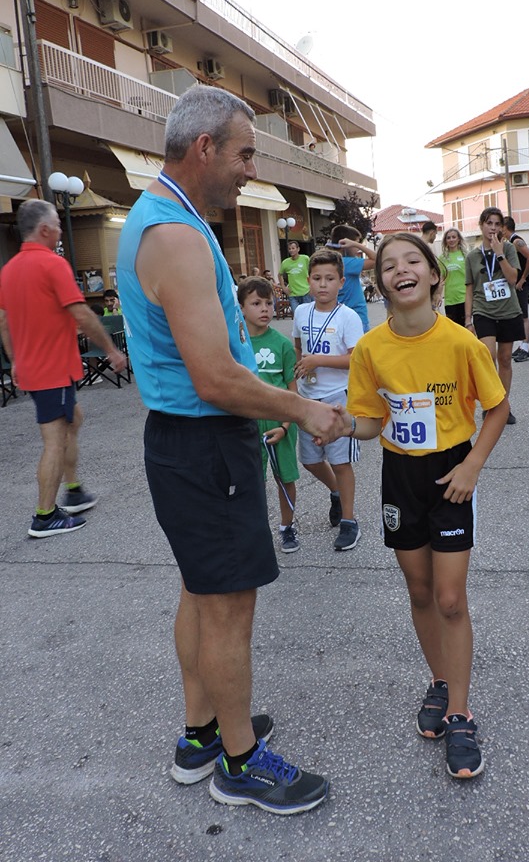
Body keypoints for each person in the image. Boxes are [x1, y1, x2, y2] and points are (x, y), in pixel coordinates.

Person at [116, 84, 343, 815]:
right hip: (205, 444)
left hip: (185, 443)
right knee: (227, 608)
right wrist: (303, 407)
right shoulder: (176, 235)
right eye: (245, 153)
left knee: (201, 591)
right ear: (205, 147)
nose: (251, 170)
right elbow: (215, 376)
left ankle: (201, 735)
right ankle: (239, 765)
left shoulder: (162, 219)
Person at [346, 233, 508, 779]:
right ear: (381, 282)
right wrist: (327, 420)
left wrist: (472, 466)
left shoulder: (462, 342)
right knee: (418, 591)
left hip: (451, 473)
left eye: (412, 260)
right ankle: (439, 681)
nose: (401, 270)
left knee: (450, 597)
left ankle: (461, 712)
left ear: (435, 275)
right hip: (400, 476)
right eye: (389, 265)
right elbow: (369, 422)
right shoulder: (370, 350)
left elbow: (498, 407)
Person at [0, 199, 127, 537]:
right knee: (55, 439)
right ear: (44, 230)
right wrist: (111, 350)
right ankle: (45, 515)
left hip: (36, 368)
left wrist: (15, 360)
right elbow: (83, 314)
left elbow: (4, 321)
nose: (59, 230)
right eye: (56, 223)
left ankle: (73, 490)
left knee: (74, 419)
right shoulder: (53, 265)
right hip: (51, 368)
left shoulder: (9, 270)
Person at [292, 248, 363, 551]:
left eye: (329, 278)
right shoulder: (301, 312)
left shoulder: (348, 317)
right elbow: (298, 345)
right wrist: (297, 376)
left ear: (341, 282)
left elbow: (354, 360)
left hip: (337, 399)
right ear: (308, 281)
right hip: (308, 398)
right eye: (317, 278)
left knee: (341, 461)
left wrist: (318, 360)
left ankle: (349, 521)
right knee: (309, 461)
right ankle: (335, 491)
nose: (323, 284)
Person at [238, 276, 301, 554]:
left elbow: (292, 392)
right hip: (247, 424)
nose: (264, 308)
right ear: (241, 308)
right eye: (256, 303)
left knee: (284, 477)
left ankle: (287, 528)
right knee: (251, 480)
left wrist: (286, 426)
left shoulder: (283, 344)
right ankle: (255, 530)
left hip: (279, 423)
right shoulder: (235, 346)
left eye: (268, 302)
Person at [465, 207, 523, 425]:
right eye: (489, 223)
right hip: (483, 310)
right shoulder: (472, 255)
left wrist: (499, 254)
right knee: (488, 356)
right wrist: (468, 319)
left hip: (508, 310)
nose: (493, 228)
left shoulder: (508, 248)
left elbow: (512, 278)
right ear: (481, 225)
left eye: (498, 224)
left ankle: (503, 406)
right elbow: (469, 288)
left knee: (505, 358)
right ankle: (491, 402)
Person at [329, 222, 376, 332]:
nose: (357, 249)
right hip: (357, 317)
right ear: (346, 243)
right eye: (355, 243)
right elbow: (377, 259)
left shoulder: (330, 261)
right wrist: (357, 245)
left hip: (337, 317)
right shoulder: (347, 263)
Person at [501, 217, 529, 362]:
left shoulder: (516, 241)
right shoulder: (509, 242)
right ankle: (521, 346)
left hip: (521, 284)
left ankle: (525, 347)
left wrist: (523, 278)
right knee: (519, 315)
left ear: (505, 227)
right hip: (515, 283)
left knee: (524, 316)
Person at [438, 227, 468, 326]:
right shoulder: (442, 258)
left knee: (465, 328)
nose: (451, 240)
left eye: (454, 237)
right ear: (445, 241)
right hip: (450, 299)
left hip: (464, 297)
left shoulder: (465, 255)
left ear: (458, 239)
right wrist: (437, 294)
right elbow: (441, 279)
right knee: (453, 328)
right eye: (448, 238)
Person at [279, 240, 311, 313]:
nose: (291, 250)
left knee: (307, 314)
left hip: (305, 292)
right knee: (296, 315)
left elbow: (312, 271)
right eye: (289, 249)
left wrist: (311, 286)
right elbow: (280, 274)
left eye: (293, 248)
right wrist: (283, 287)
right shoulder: (285, 262)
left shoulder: (305, 259)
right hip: (293, 293)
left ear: (298, 249)